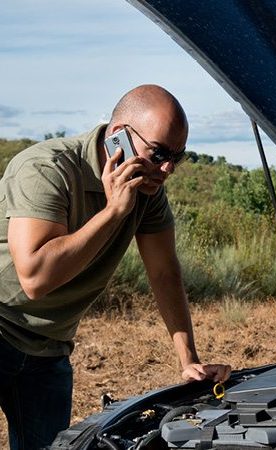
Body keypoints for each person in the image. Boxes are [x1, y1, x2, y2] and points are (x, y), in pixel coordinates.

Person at [0, 84, 231, 449]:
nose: (168, 168)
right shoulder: (46, 168)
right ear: (117, 136)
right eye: (158, 153)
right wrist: (113, 211)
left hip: (49, 347)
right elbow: (35, 277)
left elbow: (164, 274)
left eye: (178, 156)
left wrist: (189, 361)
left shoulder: (147, 189)